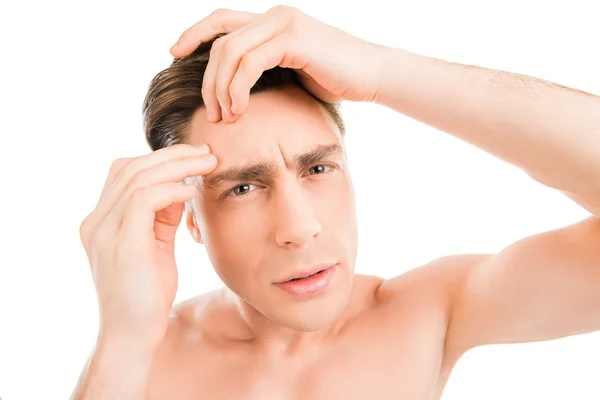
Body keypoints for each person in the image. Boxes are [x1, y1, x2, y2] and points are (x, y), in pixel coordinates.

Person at [71, 6, 600, 400]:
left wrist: (383, 73)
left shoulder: (428, 311)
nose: (300, 229)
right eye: (242, 187)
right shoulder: (140, 357)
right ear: (188, 218)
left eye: (318, 168)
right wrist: (123, 339)